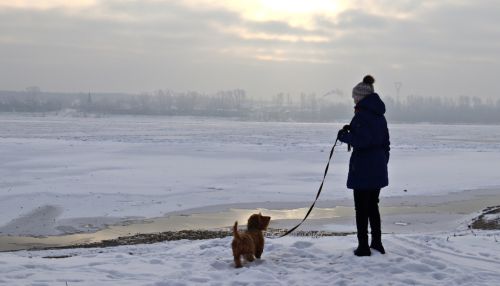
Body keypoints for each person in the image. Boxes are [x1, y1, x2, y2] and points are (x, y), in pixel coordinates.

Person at [337, 75, 390, 256]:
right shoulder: (379, 116)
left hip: (363, 169)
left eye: (355, 97)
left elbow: (363, 141)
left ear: (360, 97)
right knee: (373, 207)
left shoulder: (362, 116)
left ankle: (363, 247)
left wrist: (344, 136)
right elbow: (384, 142)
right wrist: (382, 161)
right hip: (377, 168)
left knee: (361, 209)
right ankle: (377, 243)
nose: (353, 100)